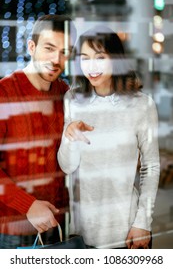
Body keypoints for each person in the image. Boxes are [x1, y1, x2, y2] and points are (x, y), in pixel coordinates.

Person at [58, 25, 160, 249]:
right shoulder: (73, 99)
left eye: (100, 57)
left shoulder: (141, 104)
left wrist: (143, 222)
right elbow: (67, 167)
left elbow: (150, 167)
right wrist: (69, 136)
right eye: (85, 58)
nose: (91, 67)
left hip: (127, 228)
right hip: (83, 230)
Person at [0, 14, 77, 248]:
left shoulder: (66, 94)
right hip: (14, 230)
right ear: (31, 47)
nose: (56, 59)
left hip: (58, 226)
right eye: (49, 48)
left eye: (64, 52)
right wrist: (28, 205)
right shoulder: (4, 94)